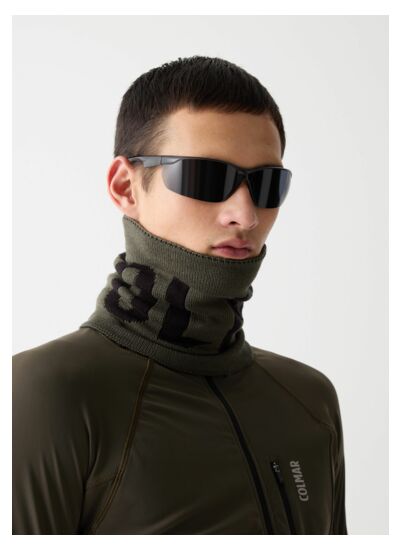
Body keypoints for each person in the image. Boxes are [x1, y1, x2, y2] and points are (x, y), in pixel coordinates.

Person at [12, 55, 348, 535]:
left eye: (267, 184)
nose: (246, 214)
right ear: (126, 187)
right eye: (206, 178)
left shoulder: (309, 400)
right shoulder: (45, 393)